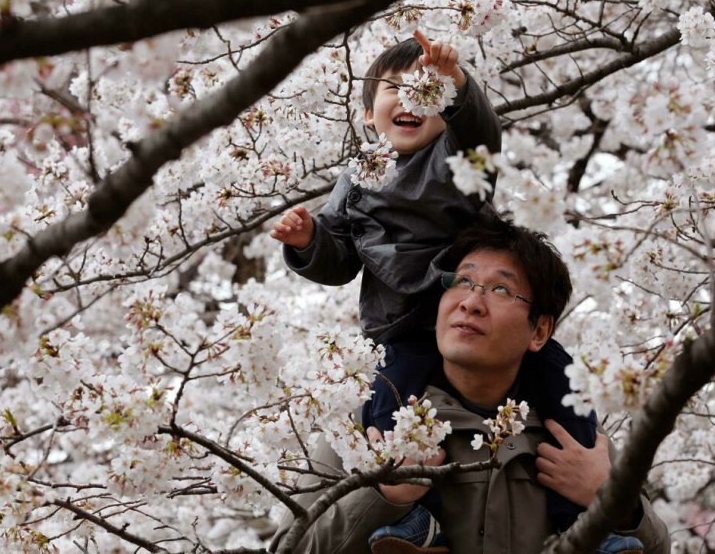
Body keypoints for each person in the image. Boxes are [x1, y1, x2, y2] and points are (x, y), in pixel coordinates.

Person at [269, 33, 605, 551]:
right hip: (400, 329)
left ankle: (586, 521)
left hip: (463, 320)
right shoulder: (357, 179)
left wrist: (457, 85)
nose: (410, 98)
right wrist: (309, 240)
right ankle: (413, 519)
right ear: (367, 116)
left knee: (567, 387)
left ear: (445, 111)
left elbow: (480, 137)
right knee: (386, 410)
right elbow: (340, 257)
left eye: (424, 90)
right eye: (394, 89)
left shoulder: (455, 159)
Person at [269, 216, 670, 554]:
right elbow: (289, 547)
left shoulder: (574, 439)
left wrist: (618, 503)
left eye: (500, 289)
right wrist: (384, 497)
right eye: (462, 281)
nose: (471, 302)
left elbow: (656, 547)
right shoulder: (364, 424)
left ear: (539, 331)